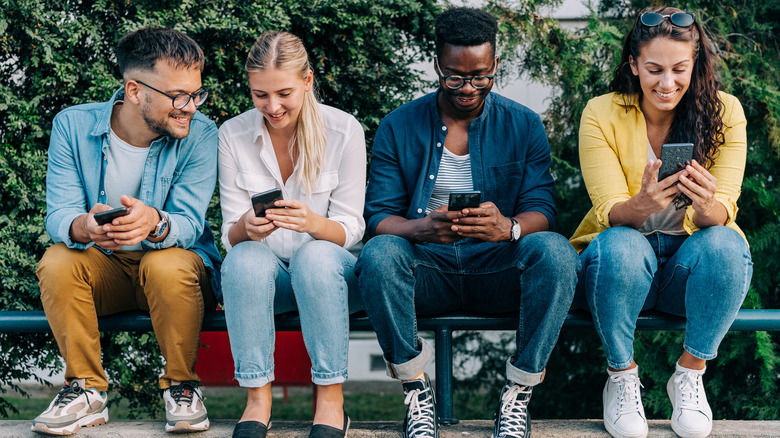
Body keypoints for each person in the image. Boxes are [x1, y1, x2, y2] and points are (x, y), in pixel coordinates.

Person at [356, 7, 579, 438]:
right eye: (454, 76)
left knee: (555, 252)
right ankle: (417, 391)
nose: (468, 88)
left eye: (481, 76)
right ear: (437, 65)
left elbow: (543, 208)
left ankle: (518, 393)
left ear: (496, 64)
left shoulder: (524, 124)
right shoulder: (397, 126)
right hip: (428, 271)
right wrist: (419, 230)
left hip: (498, 268)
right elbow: (378, 217)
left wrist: (509, 227)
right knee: (380, 255)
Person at [569, 6, 752, 438]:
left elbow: (722, 214)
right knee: (620, 243)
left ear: (695, 65)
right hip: (622, 267)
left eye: (678, 69)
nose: (666, 84)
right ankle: (622, 375)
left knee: (726, 244)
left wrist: (704, 202)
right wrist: (643, 204)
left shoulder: (726, 113)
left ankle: (689, 374)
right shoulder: (601, 112)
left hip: (687, 271)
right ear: (633, 65)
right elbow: (610, 211)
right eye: (653, 70)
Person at [34, 27, 222, 435]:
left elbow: (190, 223)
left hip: (177, 272)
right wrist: (83, 226)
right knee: (57, 260)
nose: (189, 107)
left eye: (196, 94)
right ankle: (85, 391)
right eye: (178, 96)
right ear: (135, 90)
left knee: (167, 263)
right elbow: (59, 214)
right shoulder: (71, 125)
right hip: (108, 270)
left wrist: (156, 222)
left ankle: (182, 387)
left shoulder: (203, 135)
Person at [218, 31, 366, 438]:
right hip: (269, 279)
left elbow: (353, 226)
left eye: (283, 92)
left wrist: (313, 224)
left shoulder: (344, 130)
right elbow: (229, 234)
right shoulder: (232, 134)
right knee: (244, 256)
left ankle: (331, 399)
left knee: (314, 256)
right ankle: (257, 399)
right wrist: (246, 228)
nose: (273, 107)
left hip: (332, 279)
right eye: (260, 95)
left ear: (308, 81)